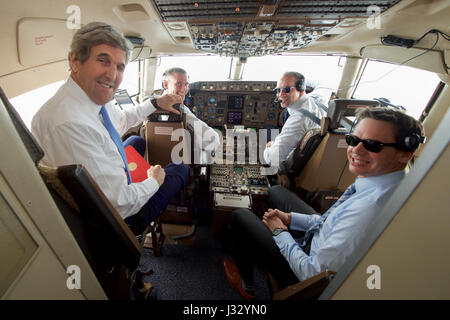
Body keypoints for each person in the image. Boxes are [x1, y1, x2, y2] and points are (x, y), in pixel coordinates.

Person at [223, 106, 425, 299]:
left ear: (406, 153)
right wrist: (291, 218)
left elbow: (311, 275)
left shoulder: (370, 210)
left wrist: (279, 231)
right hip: (321, 240)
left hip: (306, 275)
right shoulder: (379, 183)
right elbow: (330, 222)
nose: (357, 150)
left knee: (241, 216)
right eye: (353, 139)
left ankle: (247, 286)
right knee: (276, 191)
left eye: (373, 145)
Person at [31, 22, 190, 234]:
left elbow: (121, 121)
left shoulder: (93, 98)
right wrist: (153, 181)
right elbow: (119, 204)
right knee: (180, 168)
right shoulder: (67, 123)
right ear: (75, 60)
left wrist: (155, 103)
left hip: (105, 184)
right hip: (119, 221)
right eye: (103, 61)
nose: (112, 75)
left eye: (120, 66)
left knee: (137, 141)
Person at [263, 71, 332, 169]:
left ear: (301, 89)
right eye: (278, 90)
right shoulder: (318, 98)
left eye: (286, 89)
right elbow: (326, 85)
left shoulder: (298, 120)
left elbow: (273, 159)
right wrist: (302, 82)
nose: (281, 94)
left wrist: (269, 146)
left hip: (297, 164)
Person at [161, 67, 221, 157]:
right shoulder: (181, 111)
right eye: (178, 84)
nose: (183, 89)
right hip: (178, 160)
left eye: (186, 84)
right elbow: (211, 140)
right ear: (165, 84)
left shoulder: (151, 105)